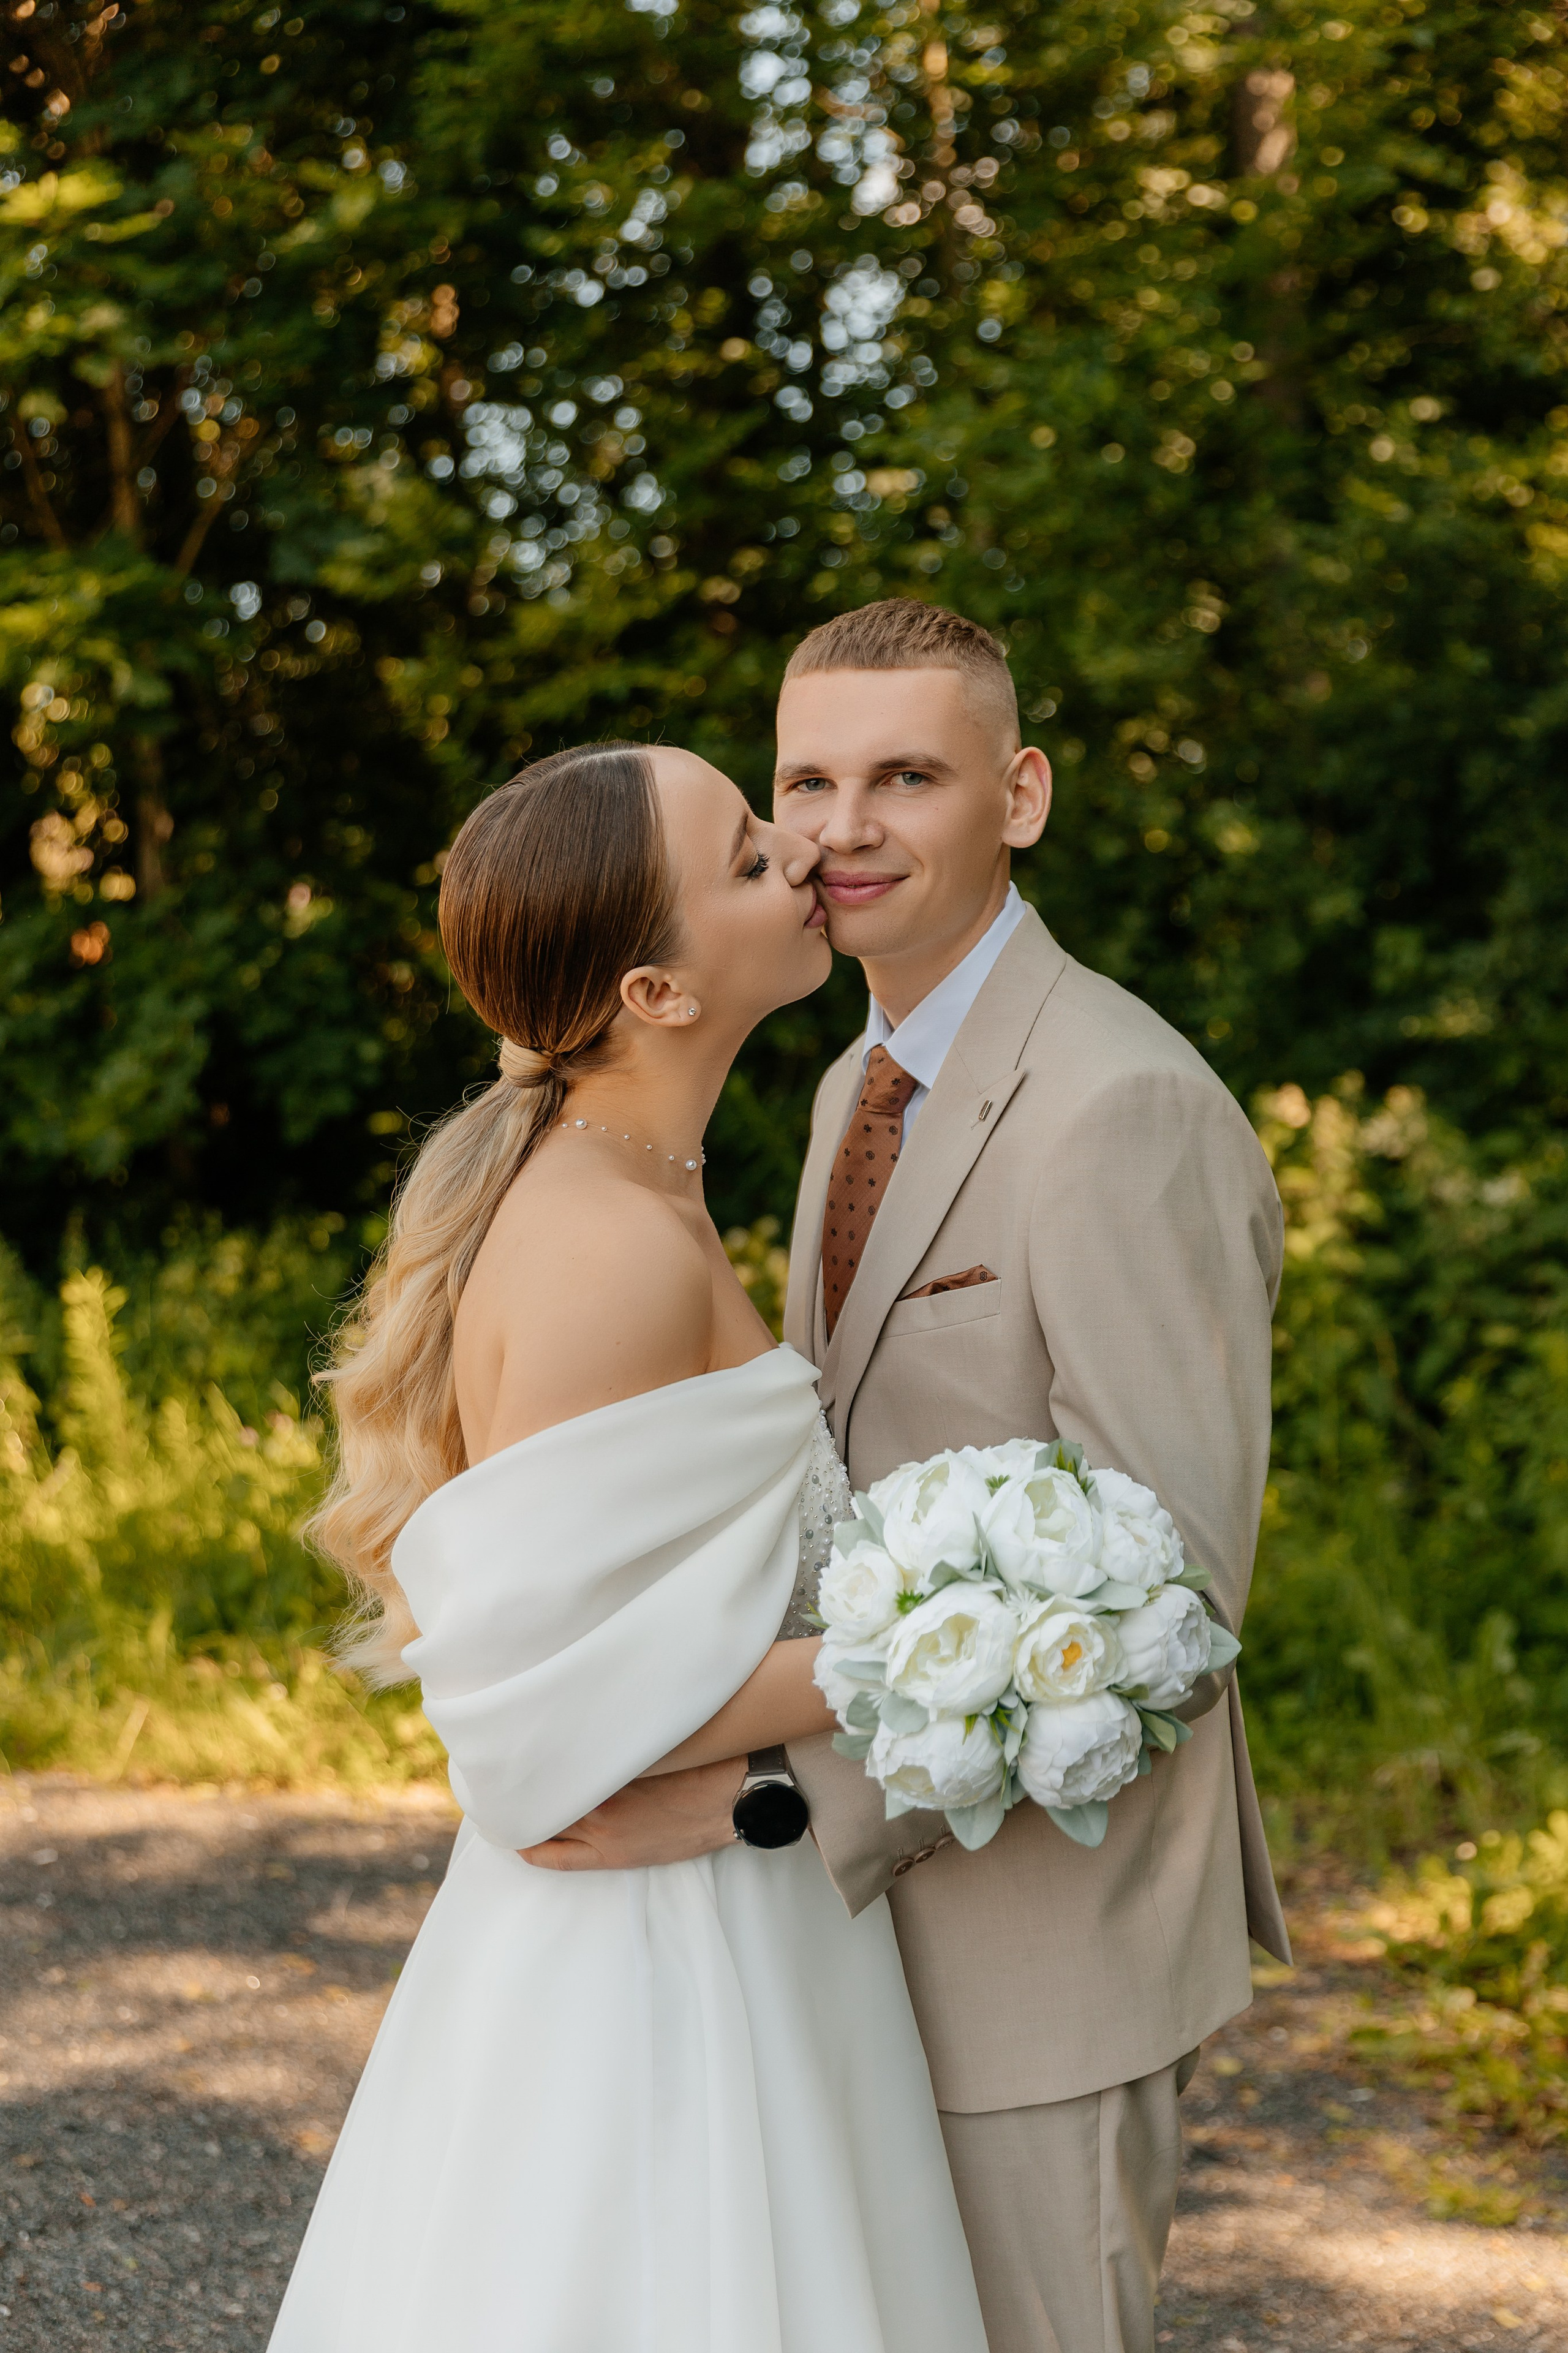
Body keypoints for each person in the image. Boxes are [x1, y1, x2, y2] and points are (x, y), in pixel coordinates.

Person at [537, 604, 1292, 2353]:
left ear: (1019, 796)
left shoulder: (1121, 1106)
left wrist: (761, 1807)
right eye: (806, 782)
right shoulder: (848, 1086)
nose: (843, 829)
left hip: (1046, 1935)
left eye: (907, 778)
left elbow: (1168, 1598)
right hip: (852, 1935)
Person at [267, 742, 988, 2353]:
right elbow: (550, 1711)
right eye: (746, 854)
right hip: (657, 1967)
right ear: (656, 990)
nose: (801, 850)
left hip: (731, 1899)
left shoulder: (643, 1184)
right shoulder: (604, 1244)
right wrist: (946, 1649)